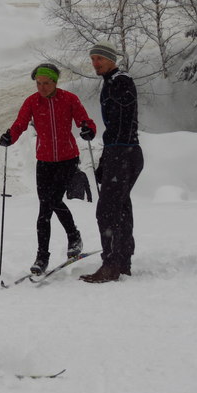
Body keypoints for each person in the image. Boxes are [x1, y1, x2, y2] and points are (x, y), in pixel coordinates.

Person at [0, 63, 96, 275]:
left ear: (55, 82)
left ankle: (62, 243)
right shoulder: (32, 102)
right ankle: (50, 251)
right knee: (46, 206)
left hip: (68, 159)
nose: (41, 87)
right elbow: (20, 124)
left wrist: (88, 129)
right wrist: (9, 137)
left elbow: (84, 120)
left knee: (50, 201)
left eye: (46, 83)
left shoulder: (69, 99)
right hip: (44, 161)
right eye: (38, 83)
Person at [80, 41, 143, 283]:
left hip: (124, 152)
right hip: (119, 151)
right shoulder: (111, 82)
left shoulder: (121, 81)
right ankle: (123, 261)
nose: (95, 63)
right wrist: (105, 159)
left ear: (111, 60)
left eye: (99, 59)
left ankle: (111, 264)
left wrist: (113, 156)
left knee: (107, 210)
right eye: (93, 59)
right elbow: (115, 125)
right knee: (121, 207)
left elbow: (123, 121)